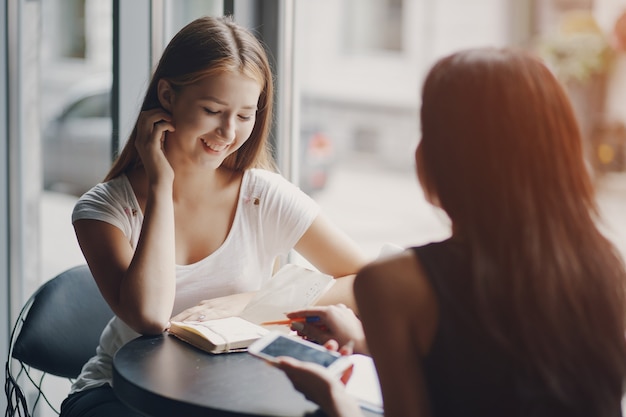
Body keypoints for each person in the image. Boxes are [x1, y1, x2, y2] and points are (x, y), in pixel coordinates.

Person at [276, 47, 626, 417]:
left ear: (444, 155)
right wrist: (368, 342)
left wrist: (335, 400)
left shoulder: (393, 283)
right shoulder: (602, 264)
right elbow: (518, 372)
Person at [59, 15, 367, 417]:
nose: (227, 132)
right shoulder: (103, 209)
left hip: (229, 392)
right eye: (212, 110)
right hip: (121, 396)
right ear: (167, 96)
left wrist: (252, 303)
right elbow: (151, 316)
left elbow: (367, 282)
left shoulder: (261, 195)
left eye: (244, 115)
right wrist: (160, 183)